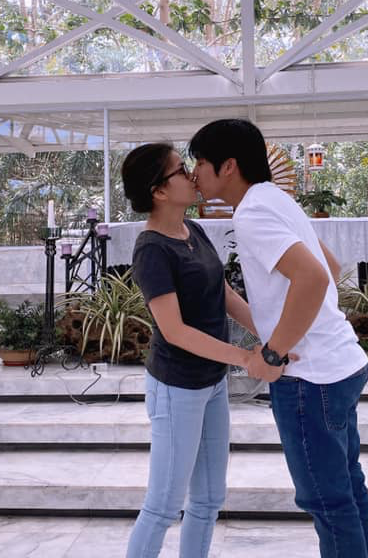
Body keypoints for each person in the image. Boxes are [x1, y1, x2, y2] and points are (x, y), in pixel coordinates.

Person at [188, 119, 368, 558]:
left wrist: (273, 352)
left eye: (201, 162)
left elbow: (313, 276)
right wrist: (281, 330)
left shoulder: (252, 212)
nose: (195, 173)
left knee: (327, 501)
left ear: (229, 166)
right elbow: (328, 268)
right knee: (347, 489)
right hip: (340, 363)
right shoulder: (275, 198)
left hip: (310, 379)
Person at [121, 142, 261, 558]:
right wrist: (244, 358)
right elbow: (176, 331)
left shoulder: (191, 230)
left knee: (208, 500)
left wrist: (268, 334)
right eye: (181, 170)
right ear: (159, 191)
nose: (192, 176)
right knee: (163, 506)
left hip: (211, 382)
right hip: (177, 387)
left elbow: (222, 293)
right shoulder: (152, 250)